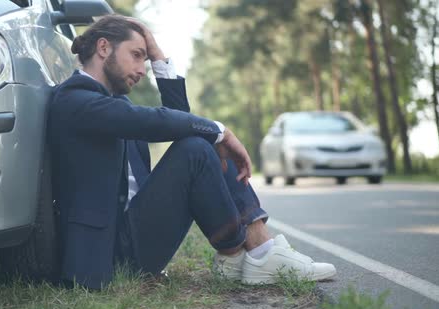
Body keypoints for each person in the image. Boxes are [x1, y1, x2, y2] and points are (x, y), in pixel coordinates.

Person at [49, 15, 336, 289]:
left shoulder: (110, 103)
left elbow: (179, 122)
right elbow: (155, 122)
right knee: (199, 145)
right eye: (137, 55)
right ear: (103, 47)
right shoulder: (74, 98)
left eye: (145, 60)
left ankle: (251, 254)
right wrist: (220, 130)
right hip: (105, 257)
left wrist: (158, 54)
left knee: (201, 140)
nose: (141, 69)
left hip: (132, 238)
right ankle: (254, 253)